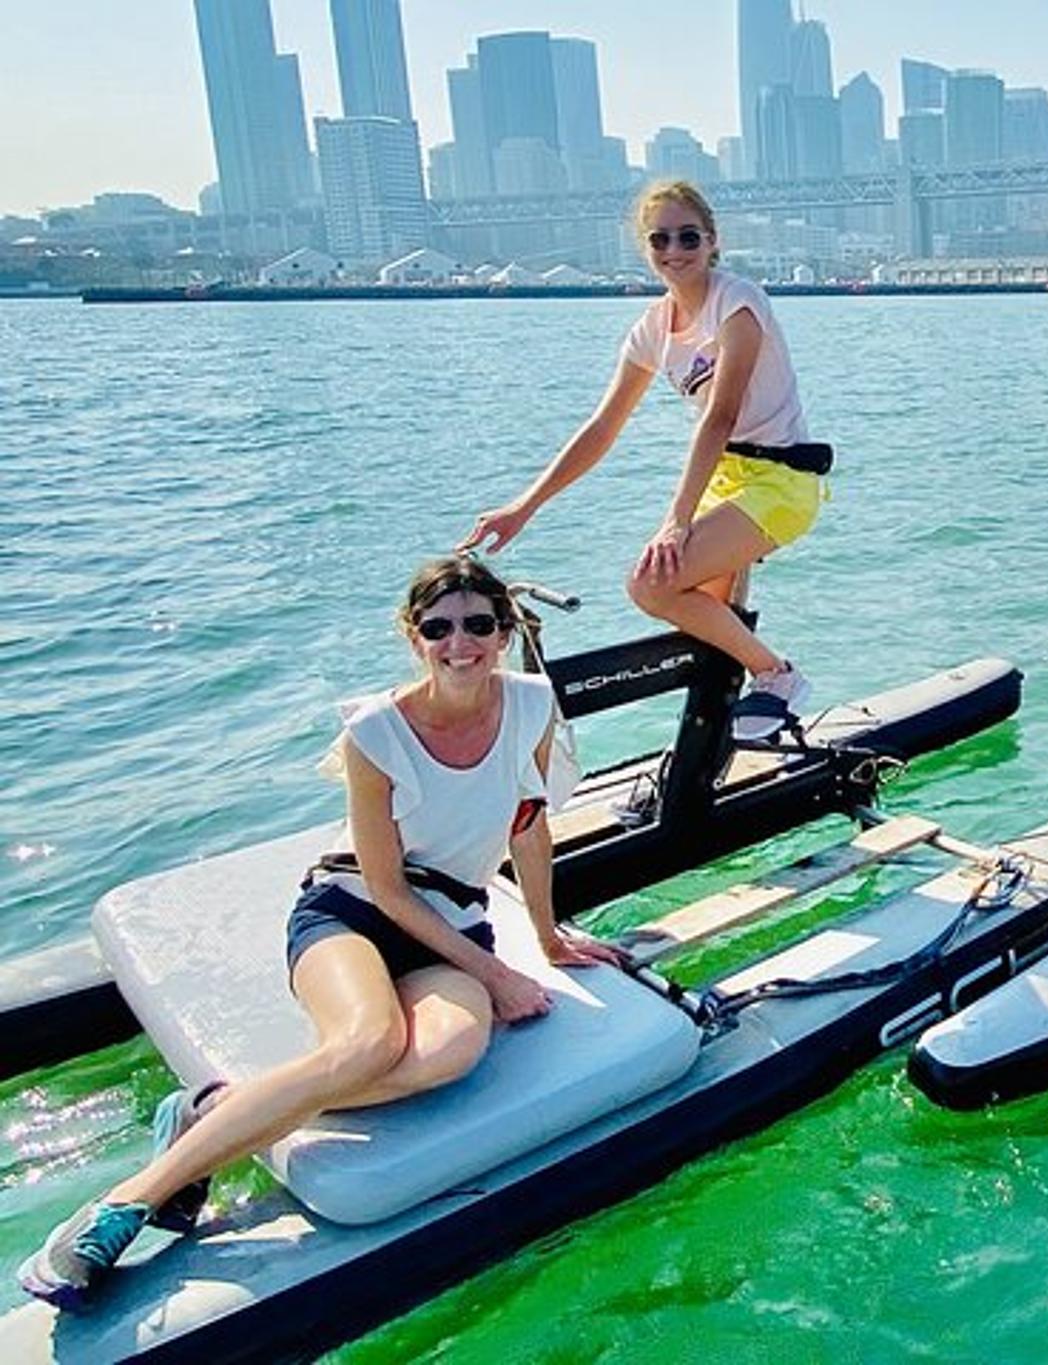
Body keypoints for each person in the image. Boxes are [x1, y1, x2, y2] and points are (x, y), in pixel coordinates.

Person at [18, 556, 625, 1308]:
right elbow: (386, 888)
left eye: (478, 624)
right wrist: (498, 974)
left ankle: (216, 1113)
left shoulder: (531, 705)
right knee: (368, 1043)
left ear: (504, 633)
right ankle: (130, 1200)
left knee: (448, 1054)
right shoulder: (376, 732)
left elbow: (529, 830)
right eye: (438, 627)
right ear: (413, 635)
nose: (459, 643)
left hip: (455, 922)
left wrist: (547, 936)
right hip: (353, 911)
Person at [461, 180, 829, 741]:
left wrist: (676, 520)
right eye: (660, 239)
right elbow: (602, 428)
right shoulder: (652, 330)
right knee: (705, 626)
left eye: (688, 237)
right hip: (724, 478)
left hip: (781, 480)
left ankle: (777, 676)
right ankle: (717, 753)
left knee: (651, 585)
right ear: (645, 247)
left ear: (712, 241)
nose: (674, 250)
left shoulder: (738, 302)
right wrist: (524, 507)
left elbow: (721, 415)